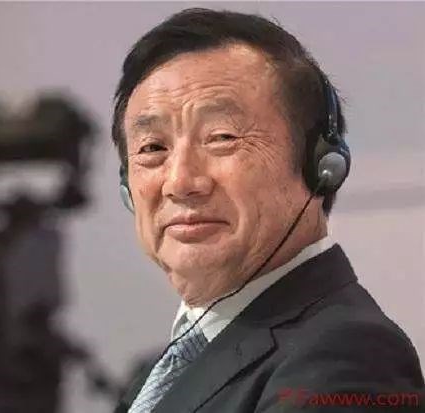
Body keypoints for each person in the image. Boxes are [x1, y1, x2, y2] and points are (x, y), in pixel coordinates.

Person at [110, 9, 424, 413]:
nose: (180, 181)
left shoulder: (349, 355)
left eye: (221, 137)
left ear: (320, 166)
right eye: (153, 148)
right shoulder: (166, 368)